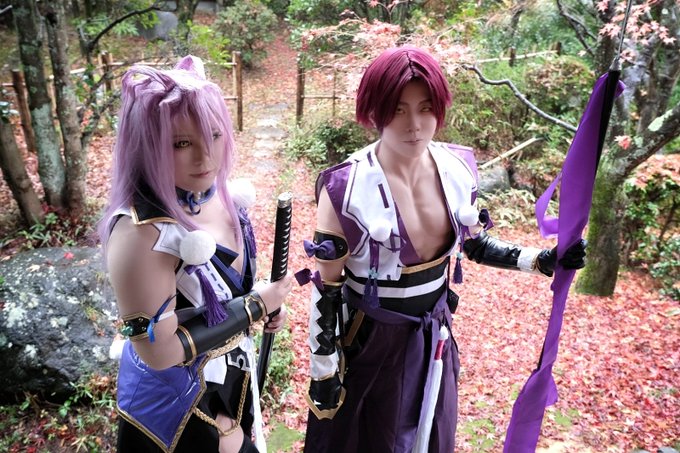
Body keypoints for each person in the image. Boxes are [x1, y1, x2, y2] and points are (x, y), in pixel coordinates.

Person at [297, 46, 587, 453]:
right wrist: (324, 369)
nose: (415, 125)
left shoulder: (456, 169)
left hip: (435, 333)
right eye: (398, 110)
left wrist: (540, 260)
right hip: (370, 344)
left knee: (432, 433)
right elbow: (327, 288)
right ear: (375, 111)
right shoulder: (344, 187)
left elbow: (474, 243)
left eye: (426, 108)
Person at [98, 55, 292, 453]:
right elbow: (159, 351)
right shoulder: (140, 234)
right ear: (146, 144)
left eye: (215, 135)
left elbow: (225, 290)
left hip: (230, 380)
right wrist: (256, 306)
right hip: (172, 410)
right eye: (182, 143)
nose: (206, 158)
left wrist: (262, 301)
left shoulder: (221, 196)